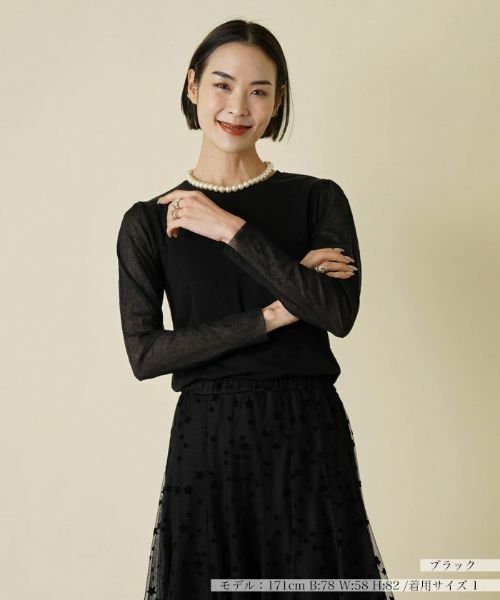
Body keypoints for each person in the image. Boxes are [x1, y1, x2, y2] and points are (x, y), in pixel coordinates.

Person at [116, 19, 394, 600]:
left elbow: (338, 313)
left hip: (306, 430)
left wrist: (230, 229)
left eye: (258, 91)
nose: (238, 107)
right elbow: (147, 354)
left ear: (278, 100)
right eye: (222, 85)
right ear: (193, 86)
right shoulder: (148, 221)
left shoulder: (317, 198)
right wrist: (275, 313)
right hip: (207, 440)